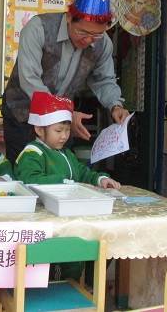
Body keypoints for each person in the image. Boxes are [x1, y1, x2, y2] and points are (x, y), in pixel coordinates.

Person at [2, 0, 130, 163]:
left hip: (61, 123)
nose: (89, 40)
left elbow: (104, 80)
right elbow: (30, 80)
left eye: (96, 35)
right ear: (70, 18)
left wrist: (115, 106)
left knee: (61, 174)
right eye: (83, 32)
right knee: (24, 173)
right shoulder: (39, 28)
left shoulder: (102, 43)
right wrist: (67, 114)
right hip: (23, 113)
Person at [16, 91, 121, 282]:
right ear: (40, 130)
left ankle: (88, 287)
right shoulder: (33, 152)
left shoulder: (65, 153)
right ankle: (62, 288)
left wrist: (100, 179)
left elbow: (82, 173)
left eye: (67, 130)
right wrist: (67, 184)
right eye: (58, 131)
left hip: (73, 218)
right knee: (65, 263)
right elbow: (30, 180)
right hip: (51, 224)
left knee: (105, 242)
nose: (64, 136)